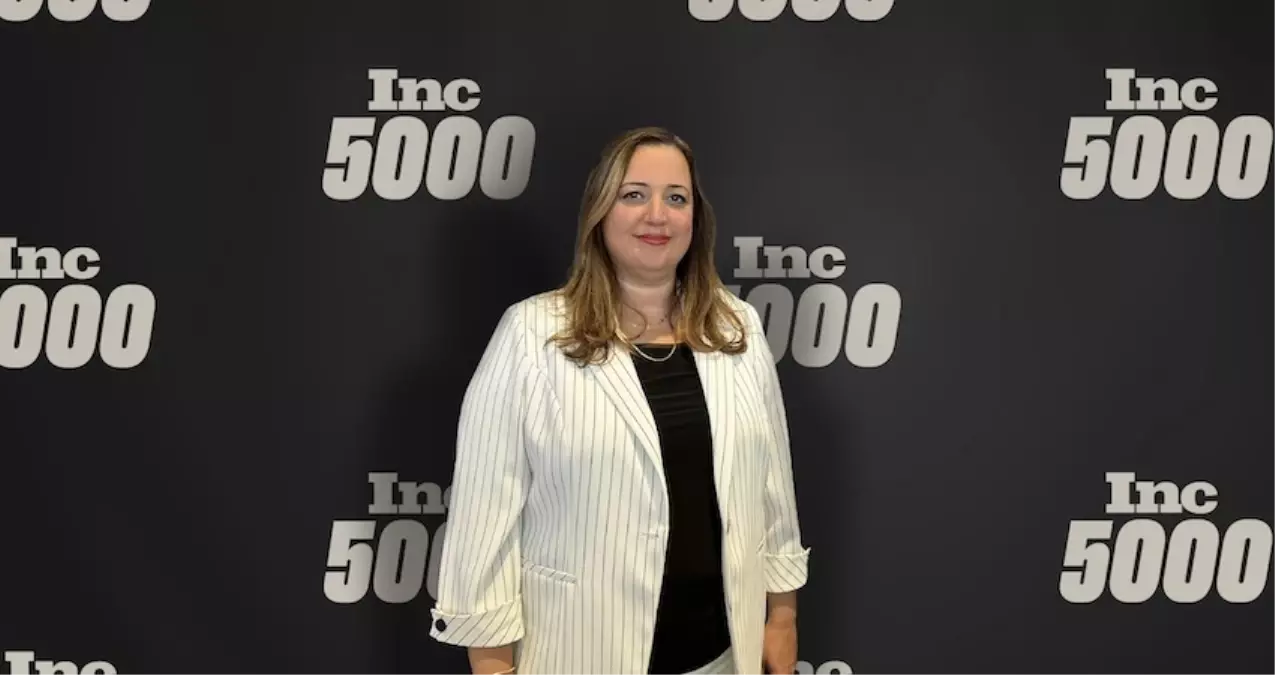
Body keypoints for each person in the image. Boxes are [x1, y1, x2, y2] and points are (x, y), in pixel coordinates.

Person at [428, 126, 811, 675]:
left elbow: (773, 485)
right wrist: (491, 664)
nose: (657, 215)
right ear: (600, 212)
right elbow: (484, 514)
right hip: (578, 654)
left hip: (722, 656)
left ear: (695, 218)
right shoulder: (531, 334)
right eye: (634, 194)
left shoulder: (738, 328)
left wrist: (782, 618)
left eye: (675, 198)